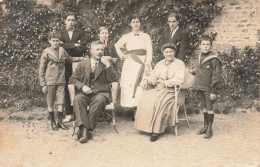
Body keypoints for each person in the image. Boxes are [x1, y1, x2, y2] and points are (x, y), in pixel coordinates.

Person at [69, 40, 118, 143]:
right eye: (97, 49)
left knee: (99, 101)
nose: (100, 52)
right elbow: (73, 79)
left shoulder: (106, 64)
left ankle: (84, 131)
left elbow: (114, 79)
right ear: (91, 51)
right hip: (85, 92)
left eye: (102, 49)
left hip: (101, 93)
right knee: (77, 99)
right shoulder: (82, 64)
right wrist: (82, 87)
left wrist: (108, 65)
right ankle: (85, 130)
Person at [134, 43, 185, 142]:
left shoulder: (180, 63)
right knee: (145, 97)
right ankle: (146, 127)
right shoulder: (160, 63)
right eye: (166, 52)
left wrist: (166, 83)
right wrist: (147, 81)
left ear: (174, 52)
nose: (169, 54)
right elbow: (153, 77)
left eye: (171, 51)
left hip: (172, 91)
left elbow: (180, 79)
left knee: (160, 103)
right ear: (163, 53)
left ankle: (156, 131)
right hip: (159, 89)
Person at [39, 31, 83, 131]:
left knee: (61, 102)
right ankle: (52, 121)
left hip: (61, 80)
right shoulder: (46, 53)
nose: (55, 43)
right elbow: (41, 69)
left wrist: (81, 58)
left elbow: (70, 59)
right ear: (49, 41)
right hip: (50, 81)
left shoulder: (62, 50)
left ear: (59, 41)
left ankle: (59, 121)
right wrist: (43, 84)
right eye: (53, 41)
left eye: (57, 41)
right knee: (50, 102)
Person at [114, 14, 153, 109]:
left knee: (142, 84)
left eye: (137, 21)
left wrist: (147, 63)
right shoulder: (126, 36)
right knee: (130, 83)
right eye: (133, 22)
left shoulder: (146, 36)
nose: (135, 24)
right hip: (130, 63)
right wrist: (122, 55)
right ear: (130, 24)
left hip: (143, 61)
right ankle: (133, 107)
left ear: (140, 23)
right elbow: (116, 45)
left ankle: (141, 108)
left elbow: (150, 51)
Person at [60, 12, 86, 123]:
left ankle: (80, 112)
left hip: (78, 62)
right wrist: (75, 45)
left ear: (75, 22)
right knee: (67, 86)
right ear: (65, 21)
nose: (71, 22)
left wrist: (68, 46)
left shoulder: (80, 33)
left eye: (73, 20)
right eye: (69, 20)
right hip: (66, 63)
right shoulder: (61, 33)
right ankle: (69, 113)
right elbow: (60, 47)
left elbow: (83, 47)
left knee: (79, 84)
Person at [195, 36, 222, 139]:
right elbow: (200, 70)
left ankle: (210, 129)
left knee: (210, 108)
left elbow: (216, 76)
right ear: (199, 46)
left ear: (211, 46)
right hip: (200, 87)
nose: (205, 46)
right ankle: (205, 126)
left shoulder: (214, 59)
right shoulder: (199, 56)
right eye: (203, 44)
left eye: (207, 44)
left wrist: (213, 91)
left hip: (209, 89)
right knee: (204, 107)